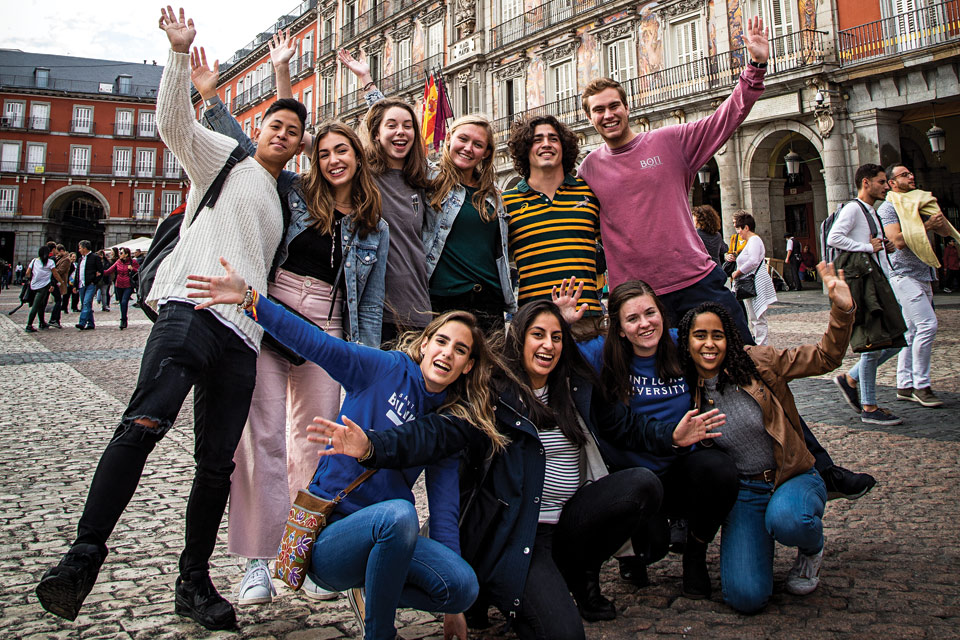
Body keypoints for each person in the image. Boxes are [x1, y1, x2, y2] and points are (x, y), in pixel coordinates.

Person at [35, 8, 307, 631]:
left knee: (218, 464)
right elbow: (172, 124)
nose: (284, 134)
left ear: (297, 145)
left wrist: (287, 73)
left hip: (243, 337)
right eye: (277, 125)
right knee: (142, 425)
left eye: (294, 131)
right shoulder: (223, 159)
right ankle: (81, 559)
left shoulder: (286, 196)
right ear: (258, 130)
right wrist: (179, 55)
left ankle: (194, 580)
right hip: (188, 312)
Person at [310, 299, 726, 639]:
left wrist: (671, 436)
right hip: (518, 533)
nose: (548, 346)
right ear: (519, 339)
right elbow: (432, 435)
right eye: (538, 335)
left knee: (641, 485)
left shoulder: (575, 384)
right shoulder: (493, 396)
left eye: (557, 338)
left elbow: (622, 424)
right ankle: (499, 585)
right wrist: (371, 446)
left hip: (568, 520)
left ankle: (579, 572)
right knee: (563, 635)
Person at [186, 257, 503, 640]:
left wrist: (454, 611)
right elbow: (316, 343)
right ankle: (379, 632)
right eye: (441, 341)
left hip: (390, 538)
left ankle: (375, 586)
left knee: (462, 587)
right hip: (330, 536)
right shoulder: (382, 368)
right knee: (400, 514)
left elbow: (445, 511)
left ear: (468, 366)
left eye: (460, 350)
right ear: (424, 345)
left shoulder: (447, 425)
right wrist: (251, 300)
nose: (447, 353)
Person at [193, 45, 390, 606]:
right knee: (261, 439)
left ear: (357, 156)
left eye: (342, 151)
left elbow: (369, 305)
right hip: (271, 315)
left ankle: (303, 552)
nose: (333, 160)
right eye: (323, 152)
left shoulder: (373, 227)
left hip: (328, 330)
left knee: (316, 444)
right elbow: (252, 150)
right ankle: (256, 562)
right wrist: (211, 97)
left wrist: (366, 365)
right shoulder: (295, 194)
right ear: (315, 158)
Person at [676, 261, 855, 613]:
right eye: (700, 336)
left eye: (717, 335)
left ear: (730, 337)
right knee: (745, 597)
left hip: (791, 476)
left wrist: (842, 309)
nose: (709, 344)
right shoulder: (687, 389)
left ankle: (811, 546)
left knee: (789, 520)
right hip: (746, 491)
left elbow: (825, 356)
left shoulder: (758, 361)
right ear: (686, 341)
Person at [577, 16, 768, 341]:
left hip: (696, 282)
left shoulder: (669, 142)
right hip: (637, 299)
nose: (607, 115)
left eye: (614, 106)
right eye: (598, 110)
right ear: (589, 117)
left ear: (627, 107)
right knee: (661, 386)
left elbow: (726, 118)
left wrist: (755, 66)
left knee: (747, 367)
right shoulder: (589, 169)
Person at [558, 278, 738, 598]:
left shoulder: (679, 343)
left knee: (721, 470)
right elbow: (555, 356)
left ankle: (695, 554)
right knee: (652, 547)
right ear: (620, 327)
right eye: (632, 318)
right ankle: (631, 553)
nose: (645, 324)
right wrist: (561, 322)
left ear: (661, 313)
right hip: (636, 476)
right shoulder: (604, 354)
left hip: (681, 469)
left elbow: (730, 343)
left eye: (650, 313)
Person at [503, 115, 604, 338]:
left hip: (587, 321)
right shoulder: (506, 202)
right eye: (537, 140)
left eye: (553, 138)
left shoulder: (590, 193)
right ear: (525, 149)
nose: (546, 144)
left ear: (564, 146)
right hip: (534, 323)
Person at [829, 164, 904, 425]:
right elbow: (833, 237)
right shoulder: (853, 208)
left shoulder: (872, 211)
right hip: (865, 283)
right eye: (882, 182)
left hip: (877, 279)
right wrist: (865, 247)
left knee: (894, 338)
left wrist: (885, 248)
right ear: (865, 182)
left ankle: (851, 378)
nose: (886, 186)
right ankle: (869, 407)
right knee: (873, 345)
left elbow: (871, 247)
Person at [879, 163, 957, 407]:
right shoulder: (888, 208)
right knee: (928, 325)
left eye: (911, 173)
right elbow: (897, 241)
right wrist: (928, 226)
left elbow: (945, 232)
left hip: (924, 271)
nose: (911, 176)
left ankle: (904, 384)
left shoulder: (917, 202)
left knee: (911, 332)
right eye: (904, 175)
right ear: (892, 183)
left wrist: (940, 221)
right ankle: (922, 386)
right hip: (903, 274)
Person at [730, 211, 777, 345]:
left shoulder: (755, 240)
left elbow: (754, 260)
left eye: (739, 228)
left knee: (758, 316)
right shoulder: (750, 241)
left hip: (756, 281)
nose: (738, 232)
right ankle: (759, 342)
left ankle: (762, 345)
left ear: (746, 227)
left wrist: (738, 272)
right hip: (751, 281)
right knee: (753, 316)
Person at [24, 245, 64, 332]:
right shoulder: (50, 262)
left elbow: (27, 272)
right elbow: (55, 274)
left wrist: (32, 278)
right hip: (43, 287)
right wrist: (61, 281)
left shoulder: (34, 261)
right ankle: (29, 325)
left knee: (41, 305)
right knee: (36, 305)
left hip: (33, 286)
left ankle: (42, 322)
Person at [102, 247, 139, 330]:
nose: (120, 254)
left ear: (126, 254)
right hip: (118, 285)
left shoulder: (133, 262)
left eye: (121, 253)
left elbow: (140, 271)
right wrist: (100, 272)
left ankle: (123, 320)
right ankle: (123, 317)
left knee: (124, 302)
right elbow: (109, 271)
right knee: (121, 302)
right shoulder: (118, 262)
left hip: (128, 285)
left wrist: (132, 269)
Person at [74, 240, 103, 330]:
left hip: (90, 284)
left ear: (84, 248)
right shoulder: (80, 259)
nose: (79, 250)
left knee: (86, 303)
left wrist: (94, 281)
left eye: (80, 248)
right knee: (86, 304)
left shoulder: (95, 257)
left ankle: (82, 322)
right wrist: (75, 285)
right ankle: (91, 323)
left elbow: (101, 271)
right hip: (81, 284)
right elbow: (78, 273)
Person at [48, 244, 72, 326]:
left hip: (59, 282)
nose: (56, 255)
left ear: (61, 251)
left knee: (58, 300)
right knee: (58, 300)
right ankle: (55, 320)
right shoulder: (60, 258)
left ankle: (54, 319)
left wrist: (51, 270)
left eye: (57, 253)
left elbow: (60, 271)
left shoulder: (66, 260)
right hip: (55, 281)